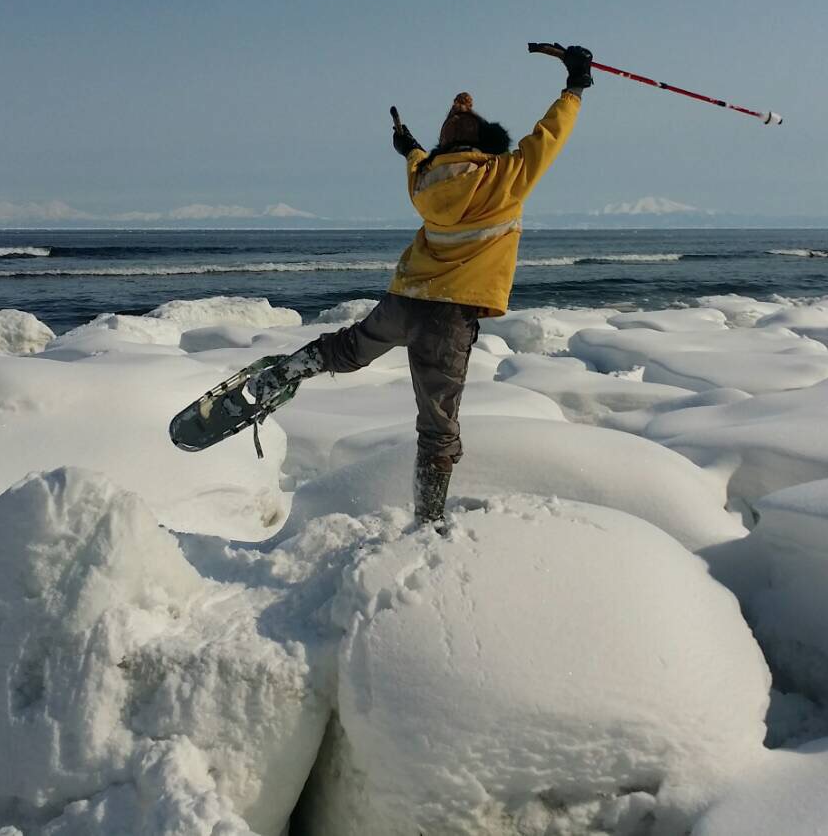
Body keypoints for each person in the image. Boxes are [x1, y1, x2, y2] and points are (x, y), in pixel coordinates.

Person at [247, 43, 593, 525]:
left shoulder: (426, 181)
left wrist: (409, 142)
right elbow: (549, 135)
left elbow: (417, 160)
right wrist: (575, 84)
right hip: (448, 316)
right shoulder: (504, 176)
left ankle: (286, 372)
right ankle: (428, 521)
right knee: (437, 427)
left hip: (406, 297)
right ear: (491, 146)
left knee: (348, 349)